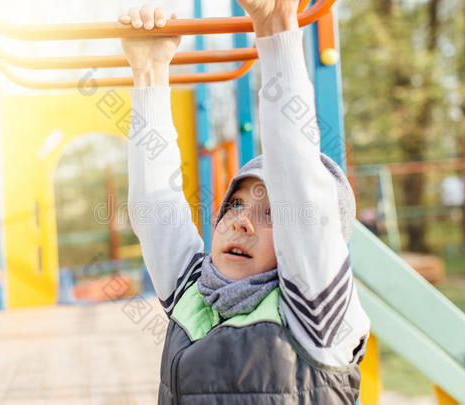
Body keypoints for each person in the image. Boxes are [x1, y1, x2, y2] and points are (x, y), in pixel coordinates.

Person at [120, 1, 370, 403]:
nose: (242, 222)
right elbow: (155, 207)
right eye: (234, 206)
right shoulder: (195, 297)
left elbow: (299, 183)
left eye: (271, 214)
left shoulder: (315, 315)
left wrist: (275, 26)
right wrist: (149, 71)